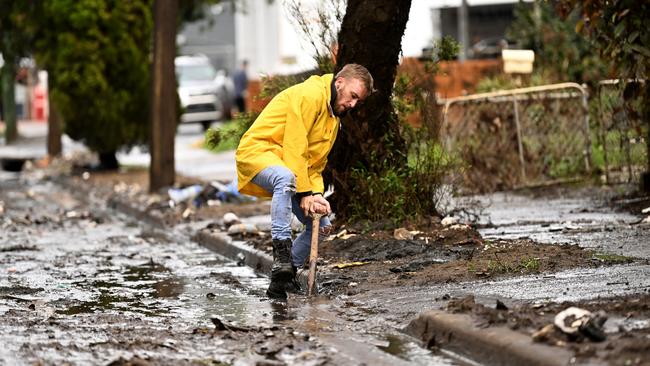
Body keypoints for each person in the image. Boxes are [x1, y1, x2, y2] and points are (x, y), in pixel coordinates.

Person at [235, 64, 373, 299]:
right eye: (352, 96)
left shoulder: (333, 119)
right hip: (259, 153)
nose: (352, 105)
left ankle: (283, 279)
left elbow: (315, 163)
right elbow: (295, 146)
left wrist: (316, 195)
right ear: (339, 82)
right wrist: (305, 193)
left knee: (322, 224)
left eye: (357, 101)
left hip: (288, 166)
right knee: (285, 177)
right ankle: (281, 257)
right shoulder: (311, 95)